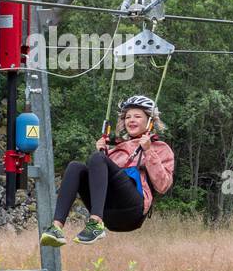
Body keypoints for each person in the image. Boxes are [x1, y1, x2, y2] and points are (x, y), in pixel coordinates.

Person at [39, 95, 175, 246]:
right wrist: (104, 153)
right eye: (128, 117)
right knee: (75, 166)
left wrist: (149, 151)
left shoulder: (160, 148)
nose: (131, 120)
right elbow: (102, 179)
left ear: (150, 122)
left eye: (137, 116)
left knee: (97, 158)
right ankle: (57, 227)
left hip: (132, 209)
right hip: (109, 212)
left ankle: (95, 223)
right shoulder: (116, 149)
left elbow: (163, 186)